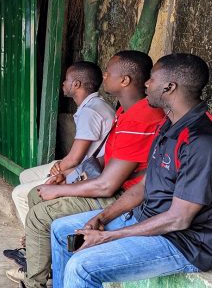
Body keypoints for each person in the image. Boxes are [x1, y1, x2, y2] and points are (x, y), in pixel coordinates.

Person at [50, 53, 212, 288]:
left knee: (82, 265)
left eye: (152, 80)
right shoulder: (169, 125)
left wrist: (107, 236)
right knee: (61, 229)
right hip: (146, 217)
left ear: (169, 87)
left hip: (182, 241)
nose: (146, 83)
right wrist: (102, 218)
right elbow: (147, 184)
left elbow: (179, 218)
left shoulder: (200, 141)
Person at [10, 51, 165, 287]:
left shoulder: (140, 118)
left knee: (39, 216)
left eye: (108, 72)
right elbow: (106, 159)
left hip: (125, 196)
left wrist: (61, 190)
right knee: (36, 194)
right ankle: (45, 263)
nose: (104, 75)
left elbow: (107, 185)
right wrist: (68, 178)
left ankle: (35, 281)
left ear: (124, 80)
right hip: (114, 185)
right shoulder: (125, 111)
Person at [6, 61, 114, 266]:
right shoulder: (93, 105)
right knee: (26, 176)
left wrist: (61, 171)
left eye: (66, 80)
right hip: (86, 165)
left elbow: (75, 158)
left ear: (77, 84)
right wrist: (61, 167)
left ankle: (36, 249)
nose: (63, 83)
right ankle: (34, 238)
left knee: (20, 192)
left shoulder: (91, 111)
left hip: (88, 170)